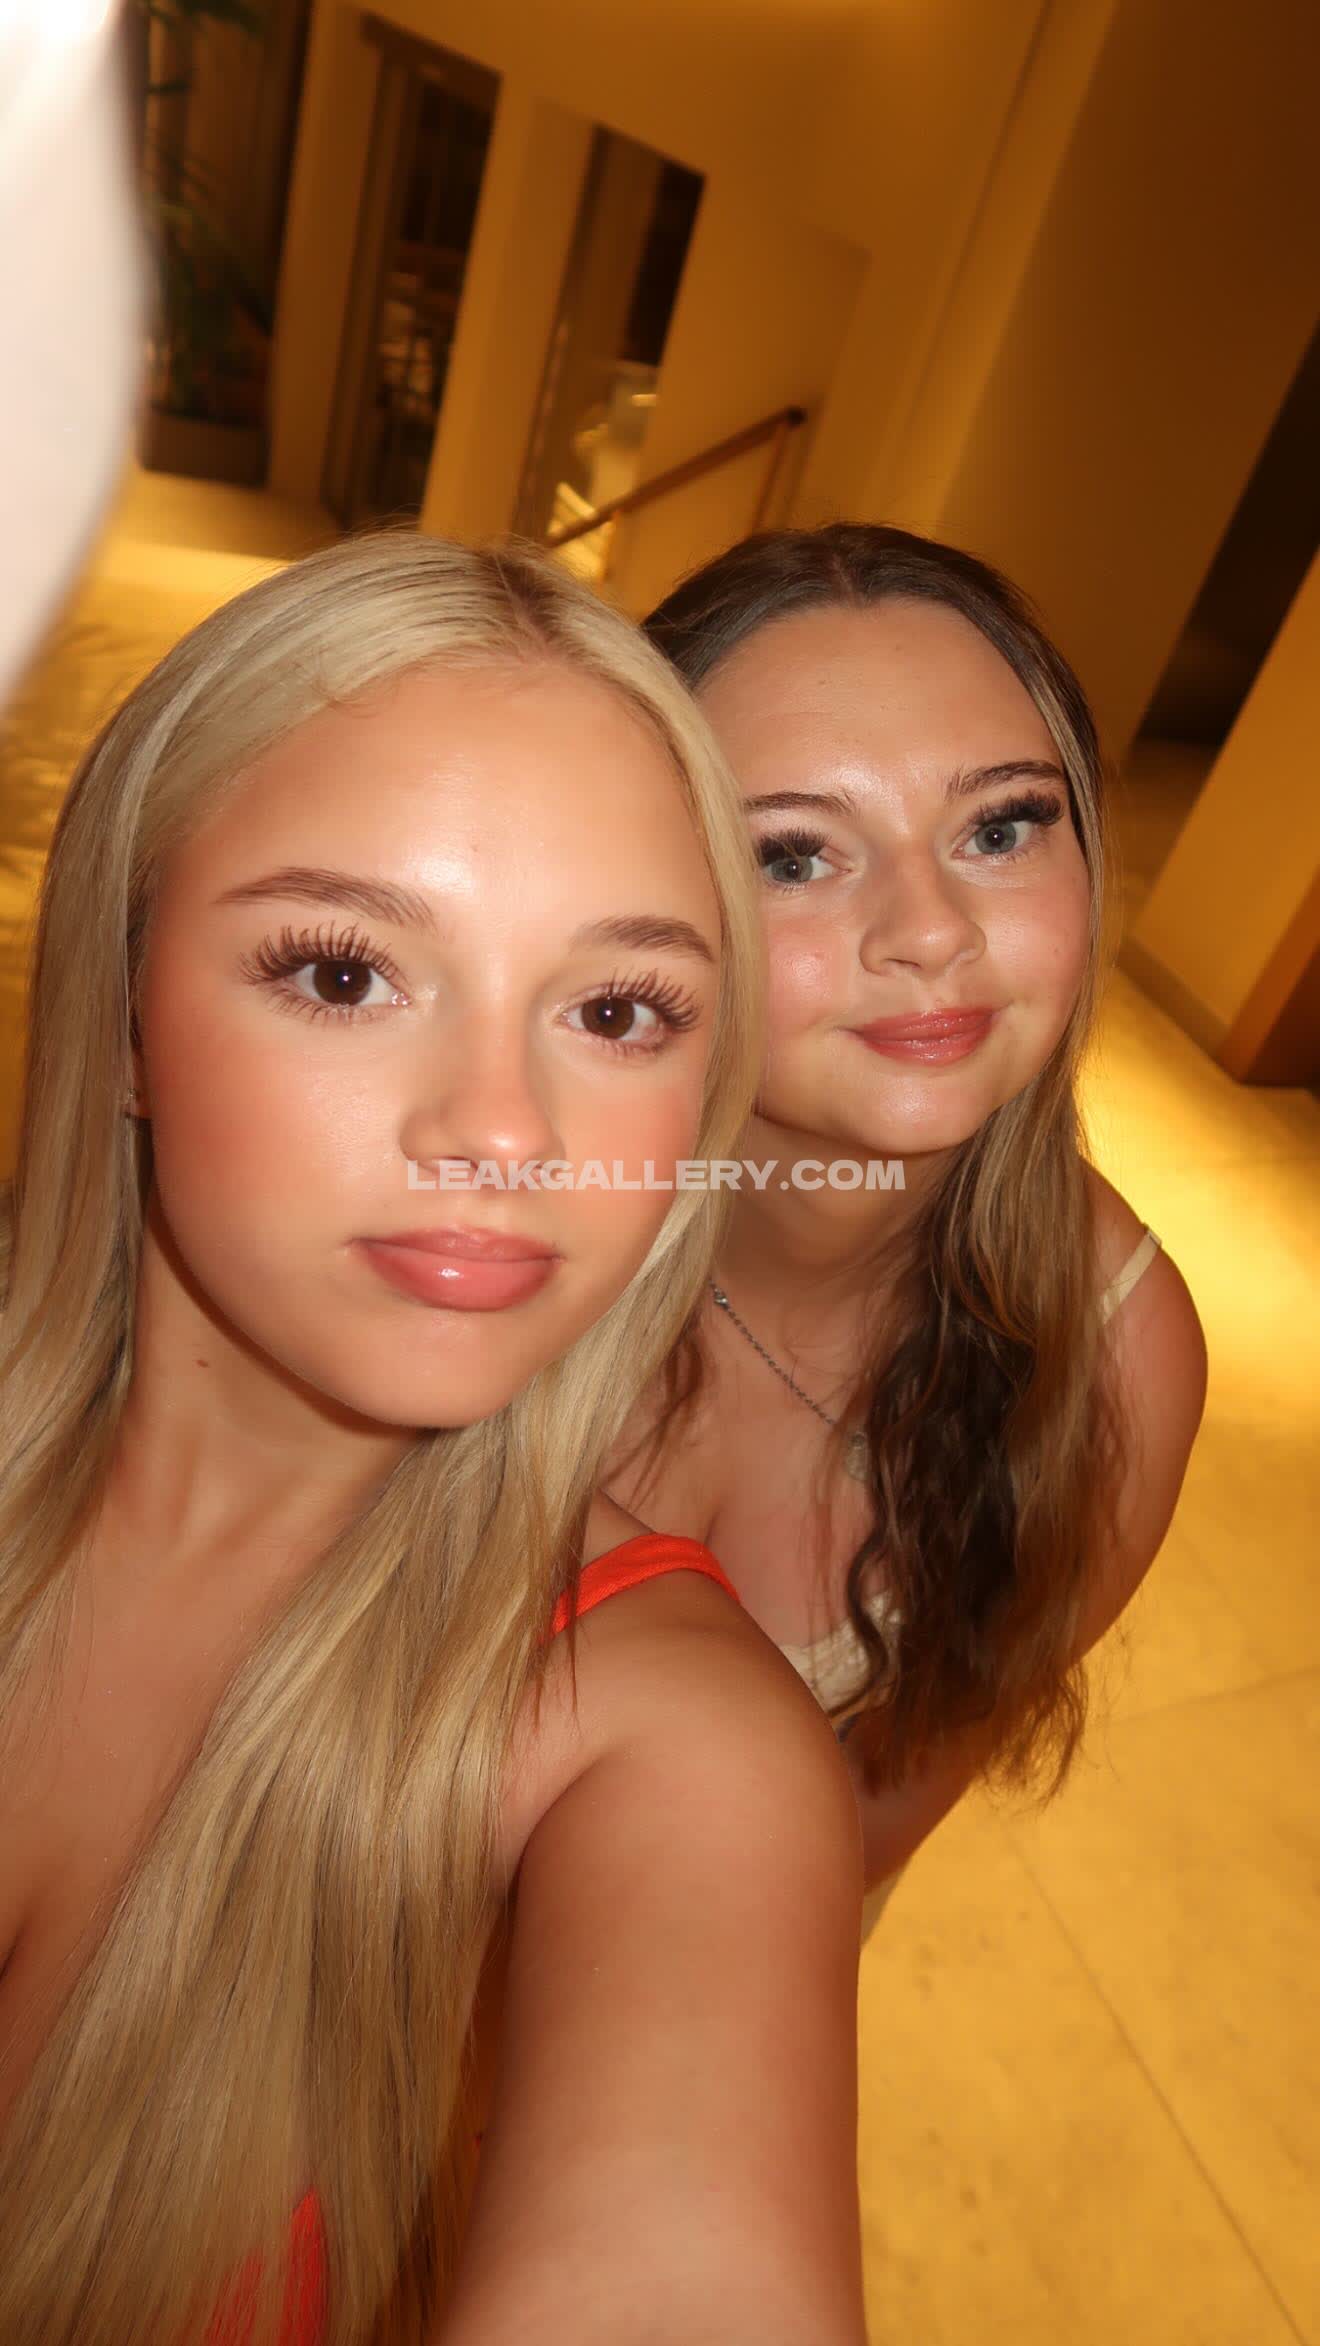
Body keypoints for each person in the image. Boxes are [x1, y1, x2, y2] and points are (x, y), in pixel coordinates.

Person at [0, 534, 866, 2346]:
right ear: (126, 1008)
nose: (505, 1127)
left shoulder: (664, 1747)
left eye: (617, 1012)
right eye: (344, 974)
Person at [611, 522, 1208, 1931]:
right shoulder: (479, 1234)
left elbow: (855, 1842)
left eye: (999, 828)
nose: (931, 931)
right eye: (795, 854)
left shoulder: (1117, 1356)